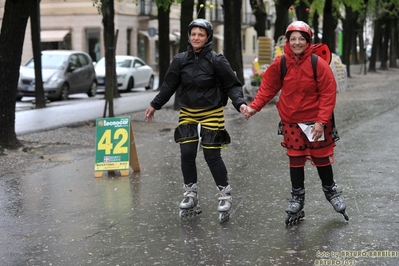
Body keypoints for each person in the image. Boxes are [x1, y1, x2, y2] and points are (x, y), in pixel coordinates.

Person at [243, 21, 348, 224]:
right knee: (295, 159)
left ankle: (331, 191)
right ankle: (297, 198)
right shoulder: (280, 63)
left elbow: (328, 94)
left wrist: (320, 121)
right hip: (291, 121)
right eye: (293, 39)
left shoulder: (317, 63)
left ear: (308, 41)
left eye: (301, 38)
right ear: (288, 41)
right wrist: (254, 107)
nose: (297, 42)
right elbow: (268, 87)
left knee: (321, 158)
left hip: (316, 121)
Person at [145, 19, 247, 222]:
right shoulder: (180, 60)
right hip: (188, 112)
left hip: (212, 111)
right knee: (187, 152)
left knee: (211, 156)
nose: (196, 38)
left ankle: (224, 194)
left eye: (200, 34)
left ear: (207, 37)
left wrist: (240, 104)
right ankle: (190, 193)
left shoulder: (217, 60)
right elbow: (168, 86)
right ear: (189, 37)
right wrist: (155, 104)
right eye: (193, 34)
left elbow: (232, 86)